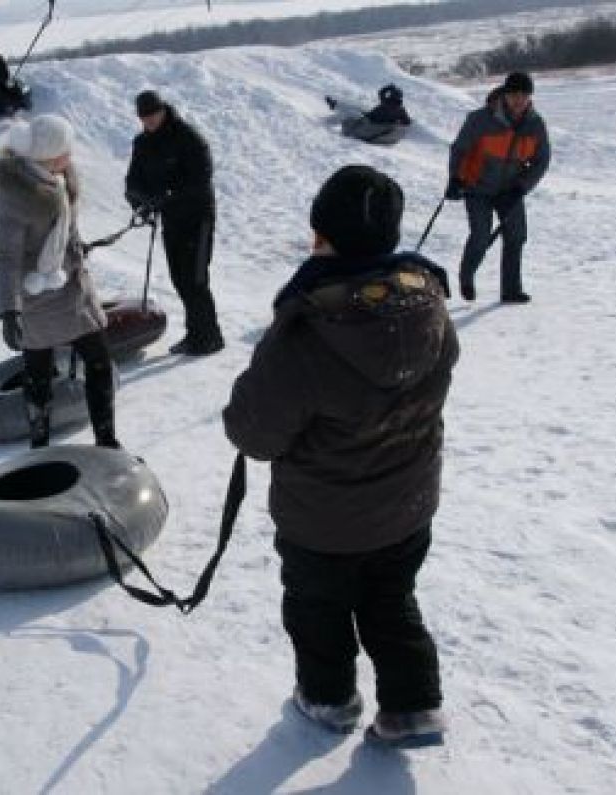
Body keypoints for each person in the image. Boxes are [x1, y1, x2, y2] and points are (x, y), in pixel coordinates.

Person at [223, 165, 458, 745]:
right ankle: (414, 708)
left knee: (318, 612)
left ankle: (328, 700)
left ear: (324, 237)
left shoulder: (309, 329)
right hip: (407, 505)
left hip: (321, 522)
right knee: (391, 599)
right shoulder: (427, 303)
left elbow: (256, 434)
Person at [0, 114, 120, 449]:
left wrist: (76, 249)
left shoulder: (62, 178)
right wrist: (8, 311)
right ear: (45, 156)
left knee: (100, 362)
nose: (71, 156)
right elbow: (5, 259)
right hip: (37, 295)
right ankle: (40, 445)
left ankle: (107, 441)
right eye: (65, 150)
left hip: (74, 292)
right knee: (38, 374)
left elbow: (66, 231)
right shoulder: (14, 199)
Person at [125, 90, 224, 355]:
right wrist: (140, 203)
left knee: (196, 279)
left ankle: (210, 337)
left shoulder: (189, 138)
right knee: (179, 278)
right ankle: (196, 333)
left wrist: (165, 196)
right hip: (172, 219)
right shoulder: (142, 143)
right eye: (144, 118)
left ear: (163, 110)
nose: (149, 121)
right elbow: (133, 181)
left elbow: (200, 181)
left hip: (198, 217)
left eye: (153, 115)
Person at [446, 70, 551, 303]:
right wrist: (455, 179)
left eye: (524, 95)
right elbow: (460, 150)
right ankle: (467, 276)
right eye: (514, 94)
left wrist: (522, 187)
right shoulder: (480, 120)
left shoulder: (535, 124)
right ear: (505, 95)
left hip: (510, 191)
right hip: (477, 189)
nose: (519, 100)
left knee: (516, 237)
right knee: (481, 236)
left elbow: (541, 160)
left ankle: (511, 290)